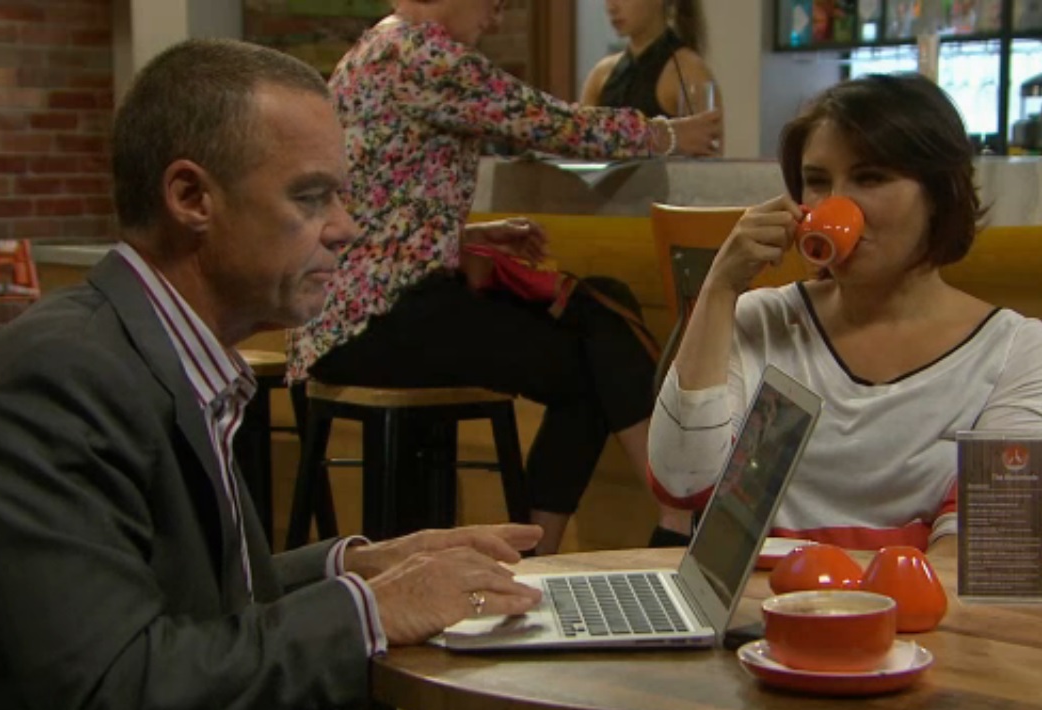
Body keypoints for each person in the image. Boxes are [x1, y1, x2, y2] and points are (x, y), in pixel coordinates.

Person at [0, 39, 544, 710]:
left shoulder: (148, 353)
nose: (346, 227)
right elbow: (117, 698)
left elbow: (189, 604)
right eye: (311, 197)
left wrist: (359, 567)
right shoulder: (55, 381)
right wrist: (374, 611)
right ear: (191, 198)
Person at [286, 0, 724, 555]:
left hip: (352, 320)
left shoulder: (374, 47)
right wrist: (666, 136)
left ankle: (554, 549)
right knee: (598, 332)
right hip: (377, 322)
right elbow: (547, 122)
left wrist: (463, 235)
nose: (494, 19)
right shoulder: (422, 53)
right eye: (493, 4)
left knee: (594, 344)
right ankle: (674, 525)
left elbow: (379, 205)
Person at [647, 73, 1042, 555]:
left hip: (919, 602)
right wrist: (720, 287)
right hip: (766, 599)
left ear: (940, 194)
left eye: (870, 178)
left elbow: (993, 549)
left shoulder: (1020, 352)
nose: (835, 205)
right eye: (817, 182)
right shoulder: (762, 320)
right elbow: (681, 483)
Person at [581, 0, 723, 145]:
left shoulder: (689, 71)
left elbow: (708, 151)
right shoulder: (601, 75)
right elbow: (580, 143)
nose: (612, 7)